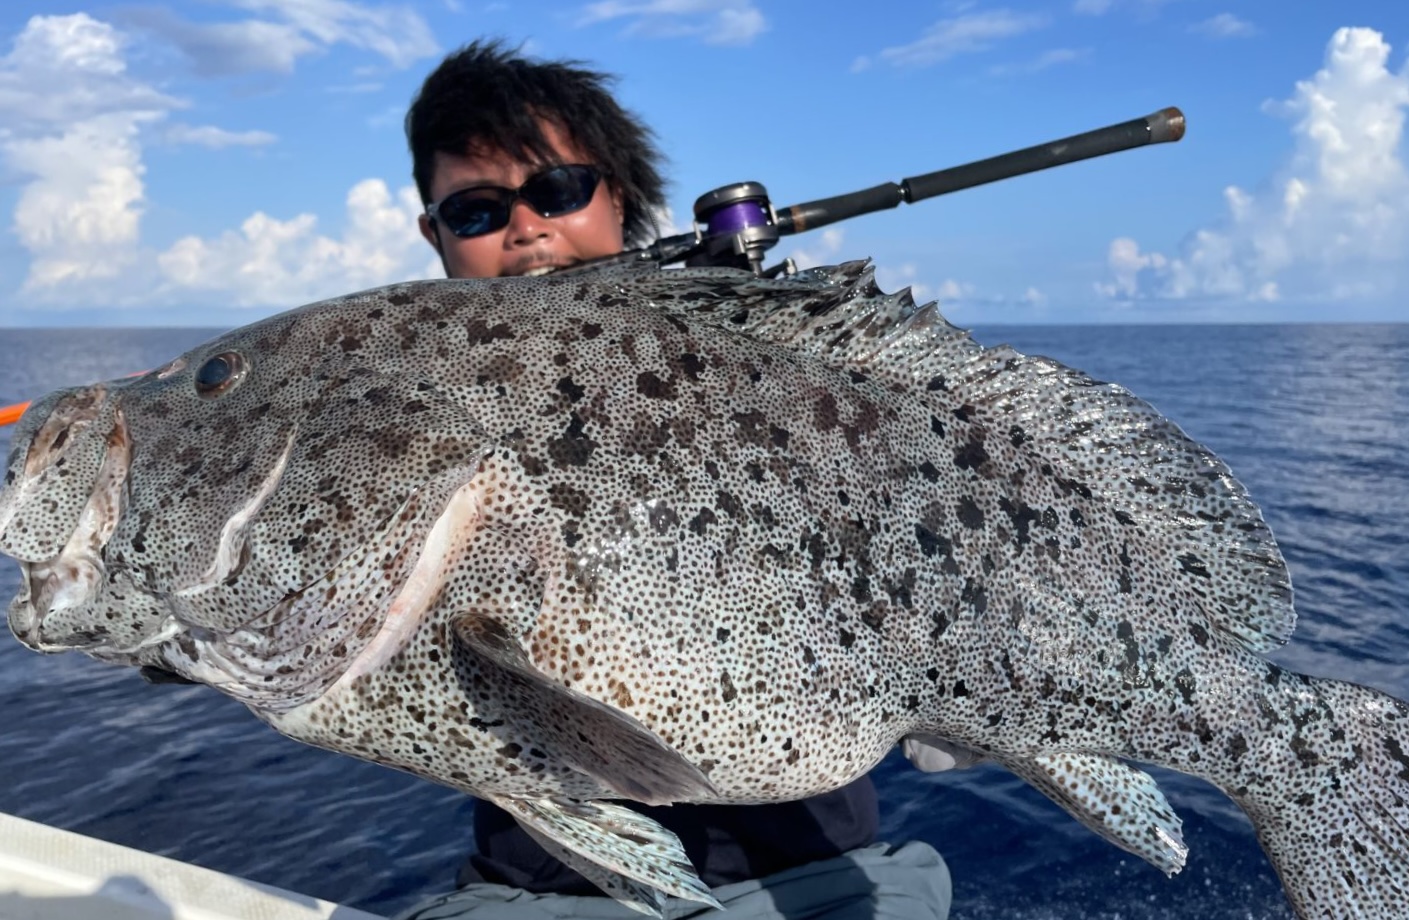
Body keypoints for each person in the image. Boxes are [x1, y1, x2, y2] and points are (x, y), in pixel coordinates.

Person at [395, 40, 951, 920]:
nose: (527, 227)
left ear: (617, 196)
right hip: (545, 890)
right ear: (436, 234)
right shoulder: (413, 414)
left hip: (808, 872)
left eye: (558, 190)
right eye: (476, 210)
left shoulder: (766, 372)